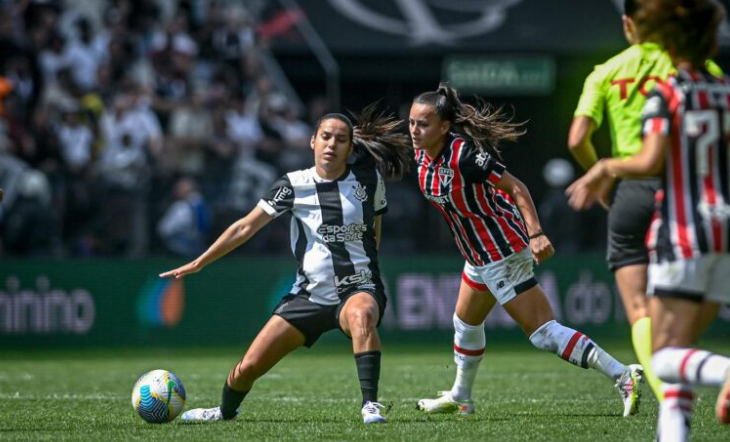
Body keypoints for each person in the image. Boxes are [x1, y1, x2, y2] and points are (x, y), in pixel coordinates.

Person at [159, 106, 411, 424]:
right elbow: (244, 227)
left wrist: (367, 270)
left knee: (361, 315)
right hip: (307, 295)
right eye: (326, 137)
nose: (332, 144)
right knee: (246, 369)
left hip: (358, 286)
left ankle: (370, 405)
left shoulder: (368, 180)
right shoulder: (293, 184)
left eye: (341, 139)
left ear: (350, 147)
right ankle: (224, 411)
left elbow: (375, 227)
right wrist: (200, 261)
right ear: (312, 142)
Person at [409, 83, 642, 417]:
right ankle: (461, 396)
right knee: (465, 322)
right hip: (478, 255)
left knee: (543, 333)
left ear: (444, 127)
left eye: (424, 124)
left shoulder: (464, 155)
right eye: (412, 122)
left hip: (500, 251)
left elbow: (516, 187)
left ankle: (623, 375)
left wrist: (535, 234)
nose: (415, 130)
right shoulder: (422, 154)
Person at [567, 1, 730, 440]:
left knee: (662, 352)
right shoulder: (722, 86)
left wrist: (605, 168)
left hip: (675, 218)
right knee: (682, 347)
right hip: (721, 221)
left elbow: (644, 155)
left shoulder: (663, 87)